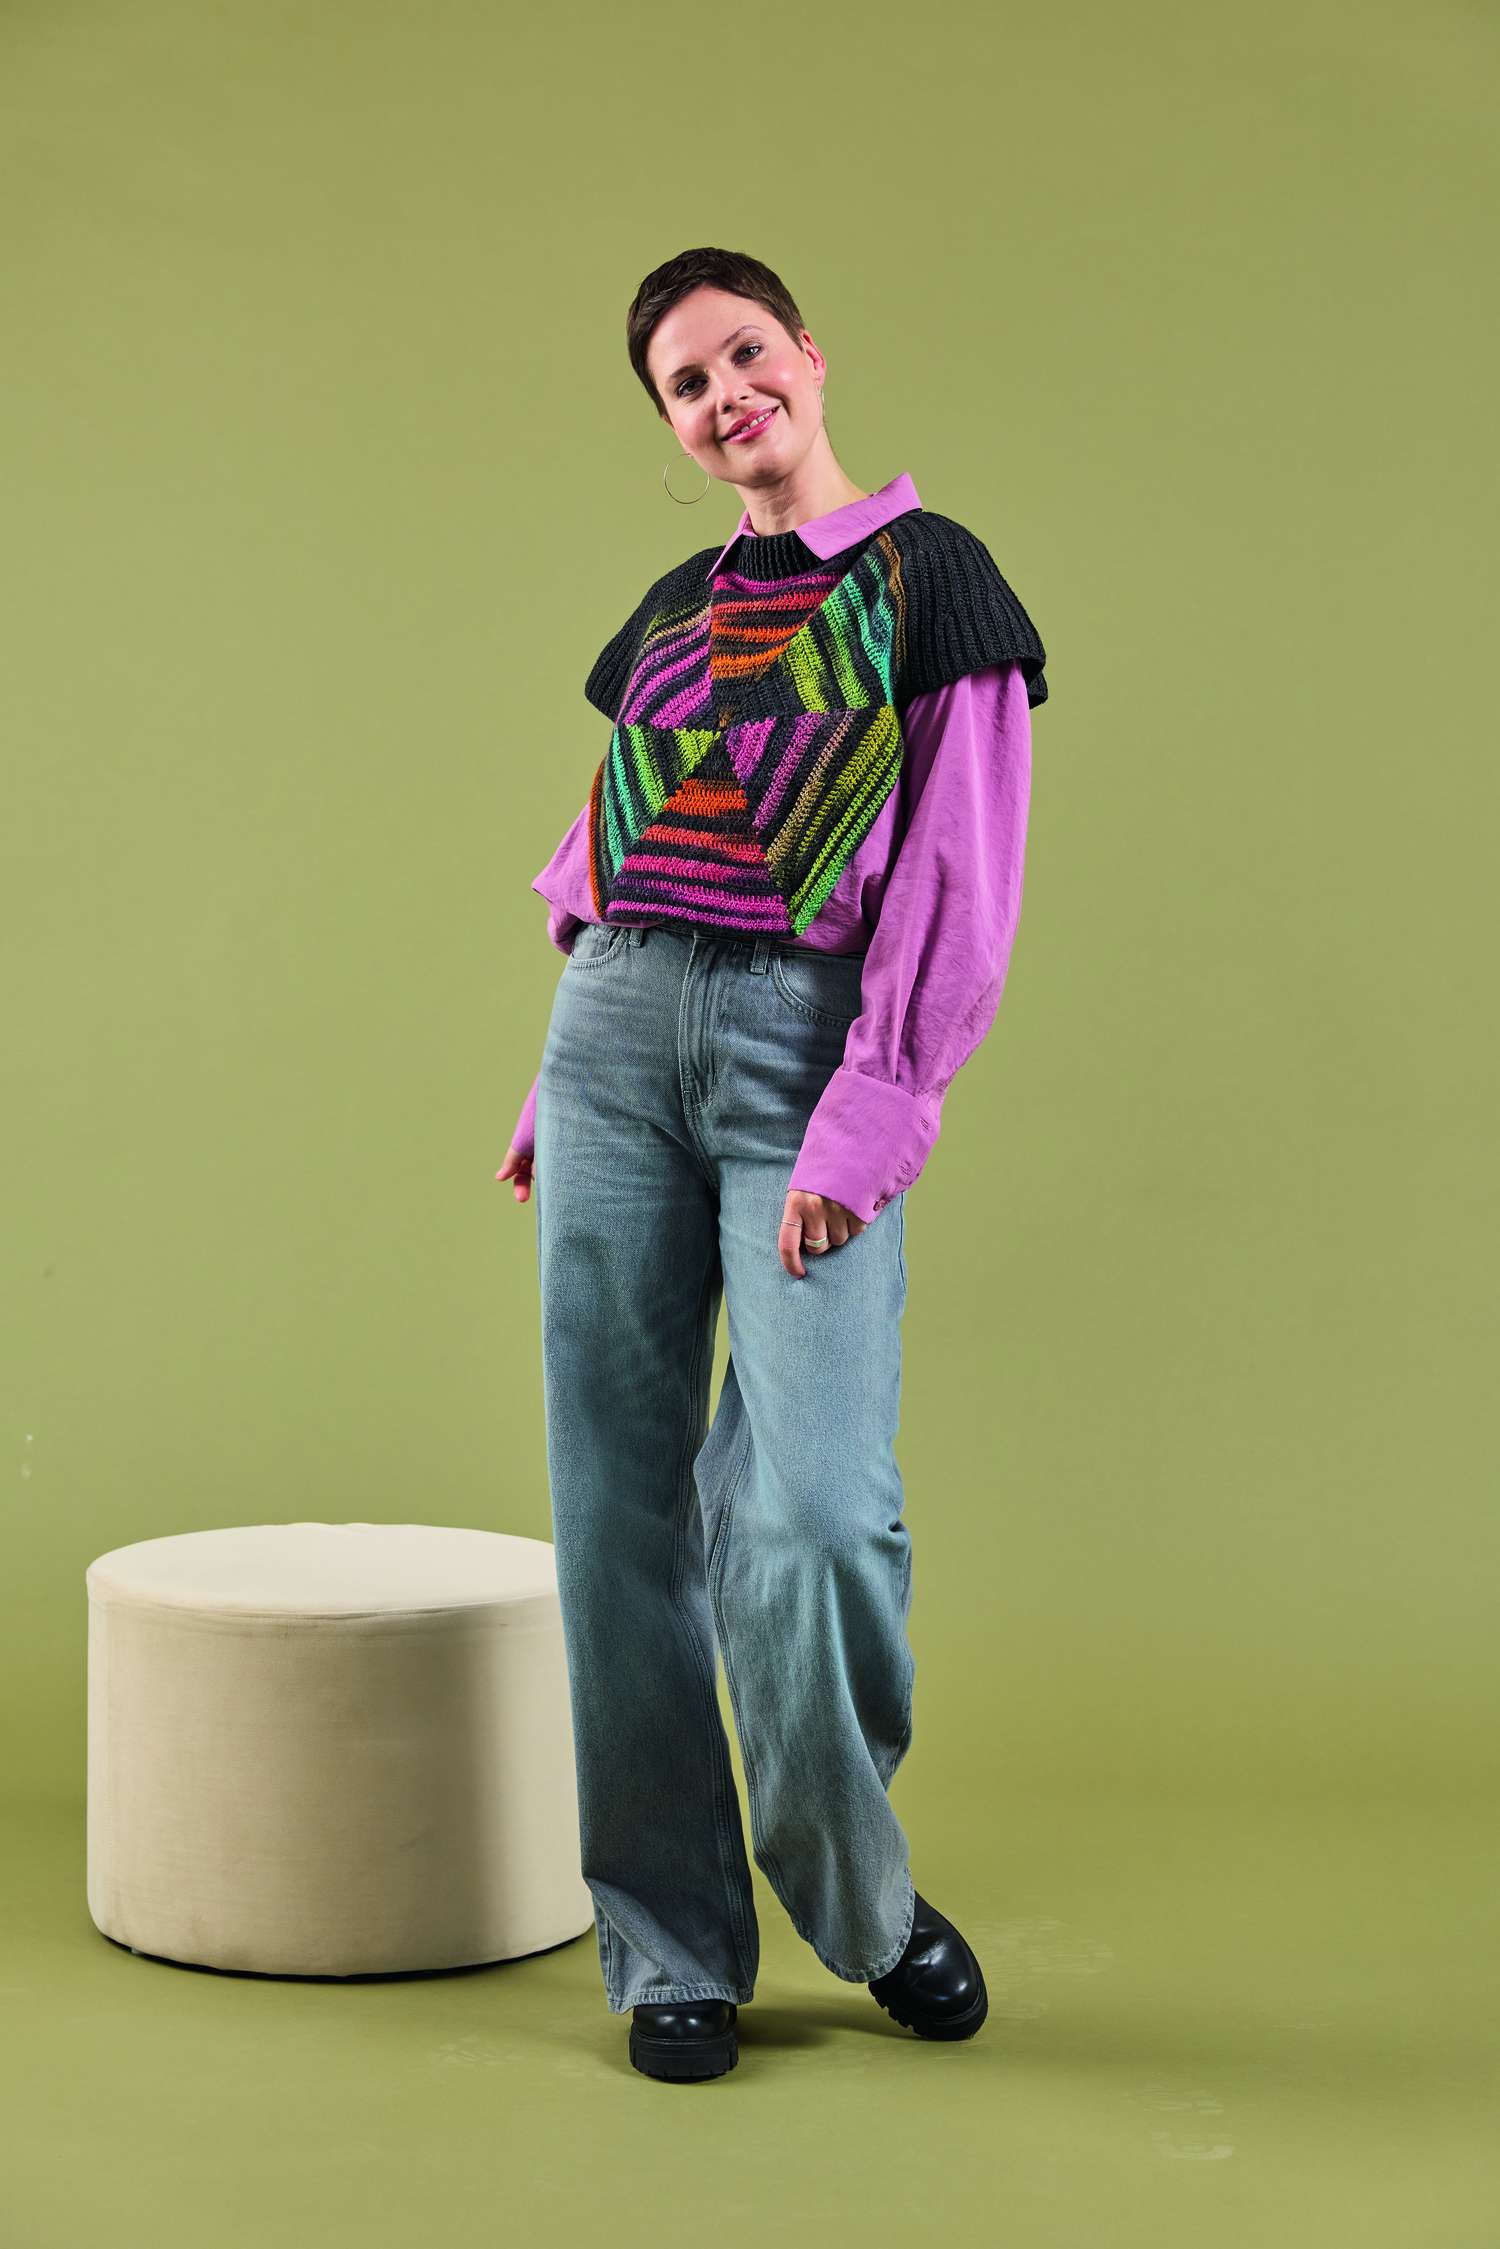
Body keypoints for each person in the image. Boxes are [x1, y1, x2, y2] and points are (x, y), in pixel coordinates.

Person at [494, 247, 1048, 2084]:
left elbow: (961, 872)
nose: (726, 394)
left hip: (802, 1053)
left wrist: (875, 1107)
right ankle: (668, 1942)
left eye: (744, 353)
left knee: (811, 1507)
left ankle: (857, 1899)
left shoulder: (930, 578)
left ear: (809, 354)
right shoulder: (674, 607)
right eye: (686, 382)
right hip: (612, 1040)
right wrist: (550, 1082)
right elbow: (617, 833)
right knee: (617, 1506)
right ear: (669, 425)